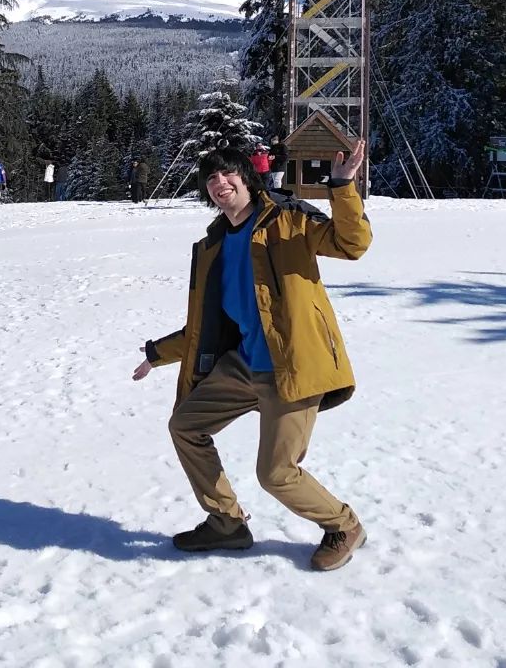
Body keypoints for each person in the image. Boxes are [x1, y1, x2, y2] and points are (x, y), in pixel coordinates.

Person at [133, 140, 372, 572]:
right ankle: (226, 522)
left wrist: (342, 187)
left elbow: (352, 243)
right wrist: (158, 353)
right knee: (186, 425)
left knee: (276, 473)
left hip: (292, 366)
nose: (219, 183)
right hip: (243, 364)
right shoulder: (213, 246)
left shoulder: (289, 220)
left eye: (227, 173)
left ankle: (344, 525)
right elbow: (205, 324)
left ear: (248, 177)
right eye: (210, 177)